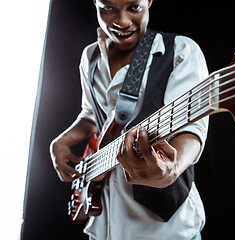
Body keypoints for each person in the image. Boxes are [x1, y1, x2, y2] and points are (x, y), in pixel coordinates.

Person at [49, 0, 209, 239]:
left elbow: (192, 126)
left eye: (134, 7)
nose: (122, 21)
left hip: (165, 230)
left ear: (150, 2)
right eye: (107, 8)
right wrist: (62, 140)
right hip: (102, 227)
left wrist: (173, 168)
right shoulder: (90, 56)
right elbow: (91, 113)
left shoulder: (181, 51)